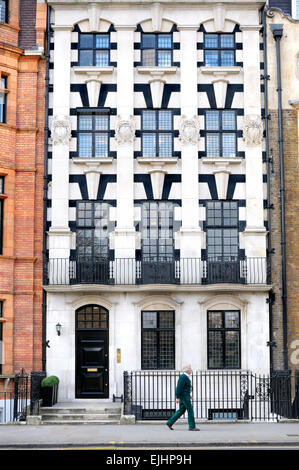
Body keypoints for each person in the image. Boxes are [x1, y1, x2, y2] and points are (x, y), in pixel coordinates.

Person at [166, 365, 200, 431]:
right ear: (187, 370)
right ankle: (192, 426)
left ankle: (170, 422)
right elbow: (179, 387)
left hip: (185, 395)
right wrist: (177, 397)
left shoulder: (185, 377)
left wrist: (189, 394)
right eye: (190, 369)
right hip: (184, 397)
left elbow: (184, 388)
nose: (191, 370)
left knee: (181, 410)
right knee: (190, 410)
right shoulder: (183, 377)